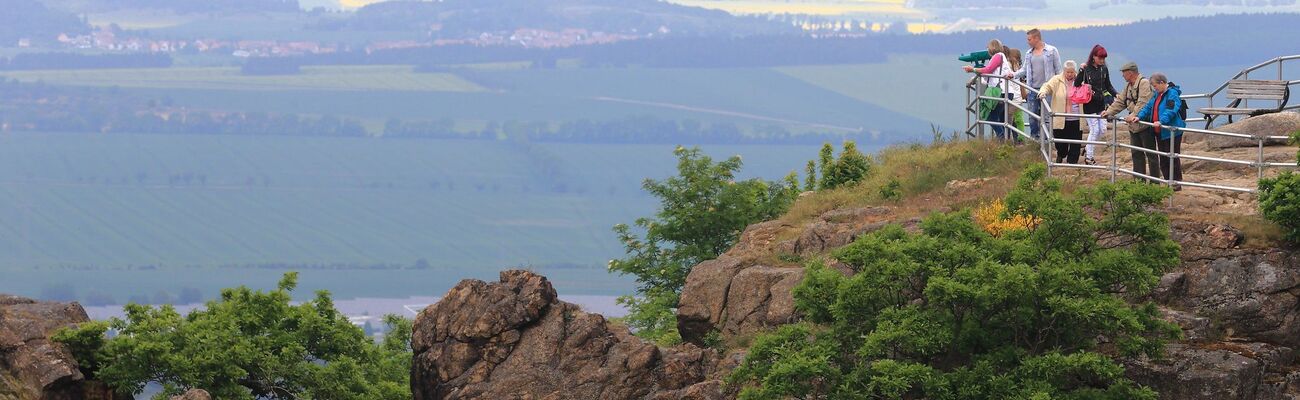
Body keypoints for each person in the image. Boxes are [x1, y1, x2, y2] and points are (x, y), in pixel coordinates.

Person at [1100, 62, 1158, 181]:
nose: (1122, 76)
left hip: (1145, 125)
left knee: (1150, 154)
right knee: (1136, 153)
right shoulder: (1129, 86)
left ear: (1130, 73)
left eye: (1124, 73)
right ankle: (1139, 181)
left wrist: (1133, 115)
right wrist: (1109, 111)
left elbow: (1143, 103)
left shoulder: (1144, 84)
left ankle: (1154, 182)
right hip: (1133, 125)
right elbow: (1121, 100)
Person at [1127, 72, 1186, 190]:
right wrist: (1139, 116)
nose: (1154, 88)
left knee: (1172, 157)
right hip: (1160, 132)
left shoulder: (1172, 94)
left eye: (1155, 85)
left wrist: (1161, 121)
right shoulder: (1157, 95)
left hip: (1171, 132)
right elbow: (1149, 107)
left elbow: (1171, 109)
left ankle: (1176, 182)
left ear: (1162, 83)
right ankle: (1167, 180)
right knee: (1163, 157)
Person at [1007, 29, 1061, 140]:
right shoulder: (1029, 53)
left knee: (1046, 117)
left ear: (1036, 38)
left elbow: (1058, 71)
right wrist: (1013, 75)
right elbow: (1024, 70)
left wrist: (1059, 87)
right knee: (1032, 117)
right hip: (1032, 89)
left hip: (1047, 90)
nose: (1028, 41)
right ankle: (1035, 140)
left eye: (1029, 39)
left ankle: (1046, 141)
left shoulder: (1051, 51)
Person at [1074, 45, 1118, 165]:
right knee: (1095, 129)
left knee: (1102, 130)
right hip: (1089, 103)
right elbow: (1077, 84)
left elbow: (1108, 85)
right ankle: (1089, 158)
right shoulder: (1086, 69)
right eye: (1100, 58)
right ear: (1094, 56)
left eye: (1103, 58)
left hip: (1100, 102)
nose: (1102, 61)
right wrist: (1081, 71)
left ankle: (1088, 148)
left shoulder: (1104, 69)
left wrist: (1116, 94)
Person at [963, 39, 1014, 140]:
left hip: (1001, 92)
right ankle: (1004, 139)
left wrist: (973, 69)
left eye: (988, 47)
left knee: (991, 116)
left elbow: (988, 70)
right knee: (999, 117)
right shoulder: (1000, 57)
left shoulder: (998, 56)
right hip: (1005, 91)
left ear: (992, 47)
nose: (987, 50)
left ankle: (1001, 136)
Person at [1039, 60, 1083, 164]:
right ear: (1064, 71)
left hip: (1076, 117)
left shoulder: (1080, 80)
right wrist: (1043, 92)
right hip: (1060, 117)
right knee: (1060, 142)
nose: (1070, 74)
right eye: (1068, 72)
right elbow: (1047, 86)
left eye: (1072, 72)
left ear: (1075, 72)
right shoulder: (1057, 80)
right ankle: (1061, 154)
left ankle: (1072, 165)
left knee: (1075, 144)